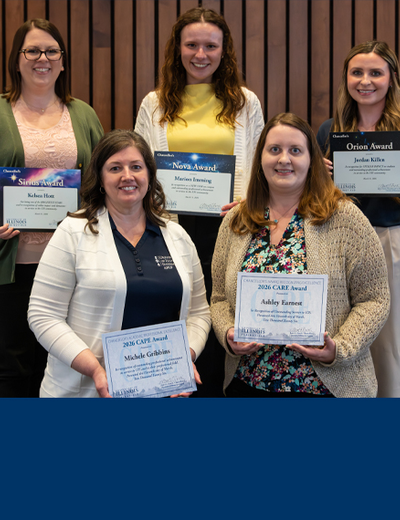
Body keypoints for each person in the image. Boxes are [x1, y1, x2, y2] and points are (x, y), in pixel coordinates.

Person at [211, 112, 390, 398]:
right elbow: (219, 298)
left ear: (312, 160)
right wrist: (228, 333)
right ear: (260, 158)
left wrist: (339, 348)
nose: (284, 159)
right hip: (249, 385)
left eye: (295, 150)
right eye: (274, 150)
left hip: (327, 388)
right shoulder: (237, 220)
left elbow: (375, 298)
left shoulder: (345, 218)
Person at [135, 7, 264, 396]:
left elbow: (261, 167)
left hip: (229, 227)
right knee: (174, 313)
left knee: (219, 313)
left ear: (225, 51)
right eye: (191, 44)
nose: (201, 54)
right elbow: (140, 167)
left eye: (211, 45)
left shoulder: (245, 102)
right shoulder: (154, 104)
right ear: (177, 49)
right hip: (168, 229)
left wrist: (244, 203)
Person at [28, 129, 211, 398]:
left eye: (136, 167)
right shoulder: (72, 232)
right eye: (115, 168)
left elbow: (199, 313)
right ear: (101, 178)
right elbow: (43, 315)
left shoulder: (177, 236)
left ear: (149, 175)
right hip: (86, 393)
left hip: (162, 391)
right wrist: (94, 369)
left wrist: (184, 357)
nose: (127, 176)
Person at [0, 18, 103, 397]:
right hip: (12, 262)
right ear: (17, 60)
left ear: (62, 62)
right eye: (32, 50)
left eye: (51, 51)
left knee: (62, 363)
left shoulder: (83, 114)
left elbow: (100, 181)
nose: (42, 58)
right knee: (12, 365)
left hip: (70, 262)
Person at [316, 41, 400, 397]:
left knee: (389, 342)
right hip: (336, 243)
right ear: (346, 78)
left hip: (389, 240)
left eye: (375, 72)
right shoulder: (327, 131)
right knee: (340, 334)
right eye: (357, 72)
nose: (365, 81)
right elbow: (309, 197)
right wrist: (314, 173)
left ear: (392, 79)